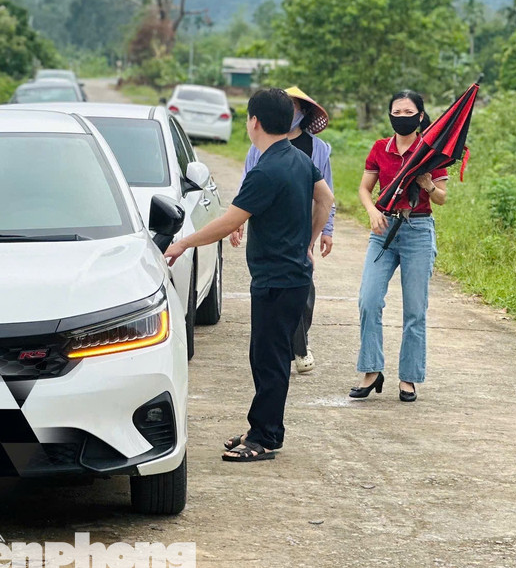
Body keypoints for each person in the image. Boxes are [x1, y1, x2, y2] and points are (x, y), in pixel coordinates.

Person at [165, 88, 335, 463]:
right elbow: (325, 199)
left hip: (277, 280)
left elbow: (229, 221)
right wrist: (309, 239)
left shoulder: (266, 169)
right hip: (292, 276)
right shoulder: (297, 159)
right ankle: (259, 427)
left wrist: (184, 243)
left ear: (254, 122)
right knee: (265, 355)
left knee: (270, 359)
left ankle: (265, 437)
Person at [351, 90, 448, 404]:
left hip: (418, 230)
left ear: (420, 116)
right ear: (389, 114)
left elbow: (442, 197)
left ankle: (408, 379)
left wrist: (427, 183)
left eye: (409, 112)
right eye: (397, 111)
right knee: (368, 299)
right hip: (384, 230)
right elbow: (365, 189)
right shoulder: (380, 148)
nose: (402, 117)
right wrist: (371, 211)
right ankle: (371, 370)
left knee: (415, 311)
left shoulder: (431, 151)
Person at [231, 86, 333, 375]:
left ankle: (296, 345)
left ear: (302, 113)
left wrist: (322, 232)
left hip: (304, 225)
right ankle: (297, 348)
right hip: (274, 228)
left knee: (301, 291)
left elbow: (327, 195)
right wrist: (237, 221)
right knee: (290, 289)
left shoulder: (316, 150)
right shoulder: (260, 150)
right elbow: (245, 187)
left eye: (296, 107)